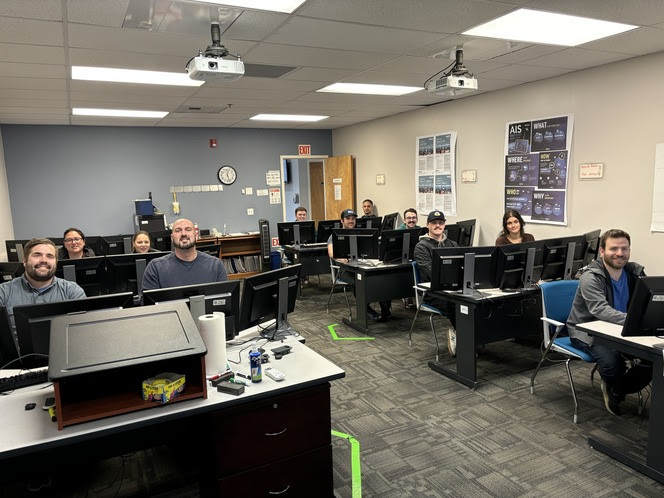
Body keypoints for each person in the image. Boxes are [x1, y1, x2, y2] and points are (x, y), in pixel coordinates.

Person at [567, 229, 652, 416]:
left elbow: (648, 299)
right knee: (613, 364)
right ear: (602, 251)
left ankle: (617, 390)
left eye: (624, 248)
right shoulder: (591, 277)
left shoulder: (634, 272)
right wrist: (634, 321)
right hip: (587, 330)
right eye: (614, 248)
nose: (620, 253)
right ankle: (614, 383)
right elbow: (600, 310)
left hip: (619, 327)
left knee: (653, 359)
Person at [0, 238, 86, 325]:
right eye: (37, 255)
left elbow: (83, 329)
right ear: (25, 261)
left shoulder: (72, 291)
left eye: (50, 256)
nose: (44, 260)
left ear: (56, 262)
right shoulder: (3, 292)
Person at [327, 209, 390, 321]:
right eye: (348, 219)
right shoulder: (334, 236)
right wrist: (339, 257)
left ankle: (385, 309)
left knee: (380, 278)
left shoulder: (361, 233)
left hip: (361, 266)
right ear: (342, 220)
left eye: (353, 219)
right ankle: (366, 309)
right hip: (344, 270)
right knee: (359, 282)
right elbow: (331, 253)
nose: (351, 221)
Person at [413, 210, 459, 356]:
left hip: (454, 288)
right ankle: (463, 338)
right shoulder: (422, 246)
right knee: (458, 305)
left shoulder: (452, 244)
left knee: (474, 303)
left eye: (441, 223)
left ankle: (467, 336)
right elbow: (430, 272)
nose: (437, 225)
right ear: (428, 225)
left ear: (444, 225)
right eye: (434, 223)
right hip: (433, 293)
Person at [142, 218, 228, 290]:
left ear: (196, 235)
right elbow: (150, 305)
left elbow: (225, 300)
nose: (183, 234)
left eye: (188, 230)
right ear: (172, 238)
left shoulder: (215, 265)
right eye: (178, 230)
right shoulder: (155, 268)